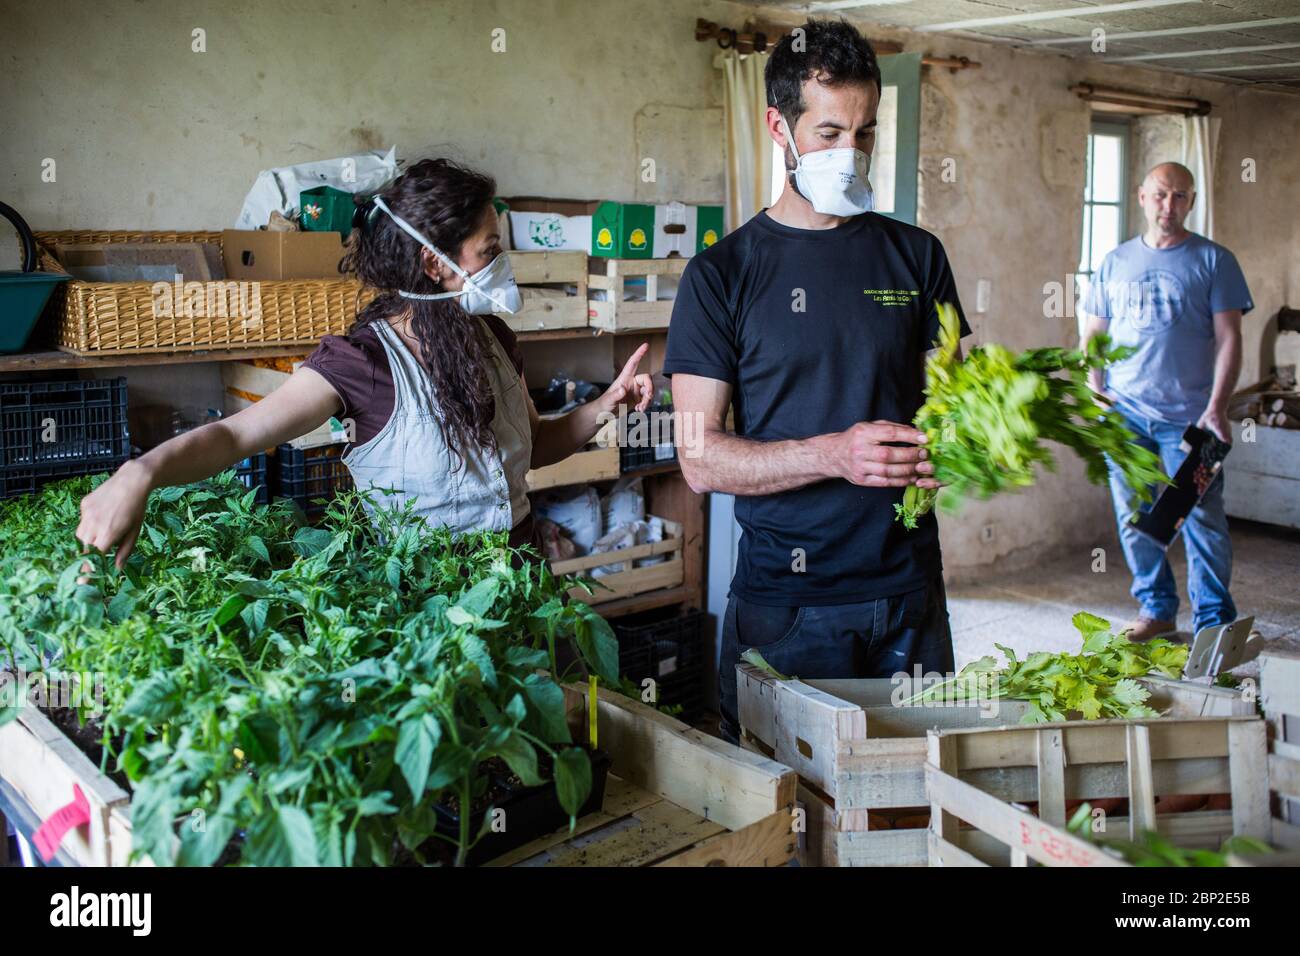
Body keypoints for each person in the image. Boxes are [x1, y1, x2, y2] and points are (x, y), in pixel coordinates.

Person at [76, 158, 653, 563]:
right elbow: (234, 438)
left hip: (523, 585)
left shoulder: (493, 338)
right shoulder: (364, 361)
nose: (502, 264)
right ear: (434, 265)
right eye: (490, 252)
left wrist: (606, 405)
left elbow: (534, 448)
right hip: (428, 610)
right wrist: (140, 473)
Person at [664, 19, 970, 743]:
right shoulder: (721, 277)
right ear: (779, 126)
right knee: (792, 821)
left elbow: (954, 402)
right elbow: (699, 459)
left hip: (908, 590)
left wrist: (961, 443)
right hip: (789, 603)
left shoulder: (917, 257)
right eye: (829, 133)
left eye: (864, 134)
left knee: (919, 799)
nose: (850, 153)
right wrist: (837, 454)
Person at [1082, 161, 1253, 641]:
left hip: (1192, 421)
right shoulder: (1115, 261)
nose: (1168, 205)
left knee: (1203, 522)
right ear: (1141, 197)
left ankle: (1214, 623)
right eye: (1160, 194)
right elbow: (1093, 334)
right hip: (1126, 415)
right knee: (1136, 518)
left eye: (1180, 196)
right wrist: (1093, 387)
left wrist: (1217, 407)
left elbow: (1230, 339)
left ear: (1192, 202)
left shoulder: (1214, 260)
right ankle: (1156, 611)